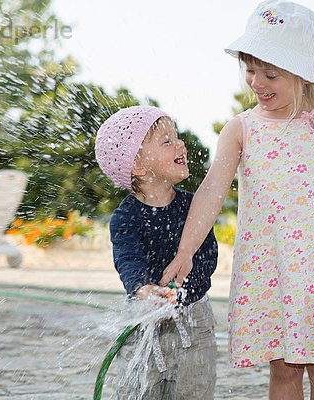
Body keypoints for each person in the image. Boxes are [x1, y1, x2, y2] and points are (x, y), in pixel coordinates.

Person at [159, 1, 314, 399]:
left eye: (271, 73)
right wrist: (186, 249)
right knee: (283, 372)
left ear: (302, 74)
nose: (257, 82)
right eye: (250, 70)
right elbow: (213, 189)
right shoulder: (241, 129)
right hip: (272, 268)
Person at [94, 105, 218, 399]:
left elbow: (208, 253)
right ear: (137, 166)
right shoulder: (126, 217)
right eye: (167, 141)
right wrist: (142, 288)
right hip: (146, 317)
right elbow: (127, 258)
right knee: (140, 389)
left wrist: (187, 287)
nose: (181, 144)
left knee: (195, 388)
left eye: (177, 137)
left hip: (194, 316)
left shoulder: (193, 206)